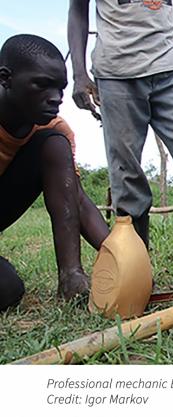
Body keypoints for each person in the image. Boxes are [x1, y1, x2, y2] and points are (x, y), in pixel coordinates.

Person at [68, 0, 173, 279]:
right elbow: (78, 11)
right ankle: (136, 275)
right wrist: (79, 73)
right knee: (126, 173)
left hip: (170, 70)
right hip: (116, 74)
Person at [0, 34, 110, 312]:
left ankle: (71, 276)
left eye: (60, 88)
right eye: (42, 85)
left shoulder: (53, 130)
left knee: (7, 289)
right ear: (5, 78)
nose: (56, 98)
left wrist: (121, 254)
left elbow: (76, 200)